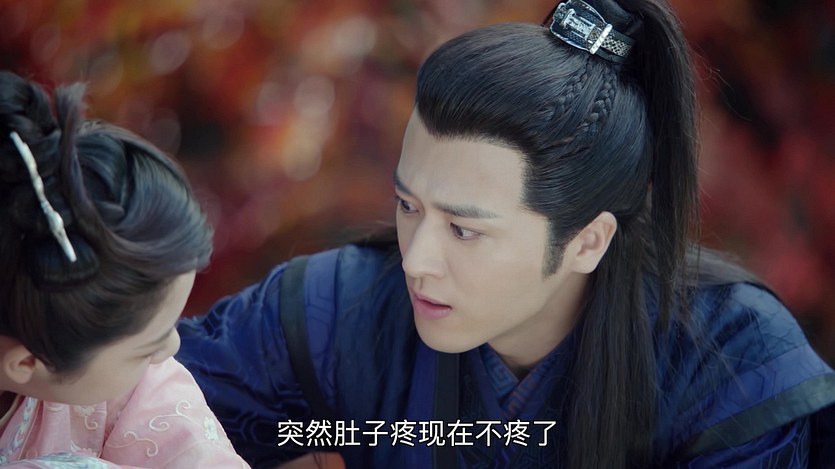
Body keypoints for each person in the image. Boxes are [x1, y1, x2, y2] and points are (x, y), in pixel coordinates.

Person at [176, 0, 835, 467]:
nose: (416, 259)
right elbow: (142, 406)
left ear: (587, 241)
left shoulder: (730, 360)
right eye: (408, 204)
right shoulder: (335, 308)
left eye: (464, 229)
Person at [0, 71, 249, 468]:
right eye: (145, 350)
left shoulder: (113, 368)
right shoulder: (86, 339)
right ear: (27, 364)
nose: (172, 348)